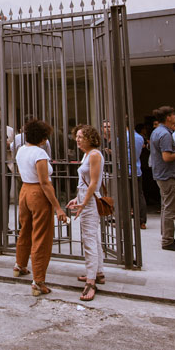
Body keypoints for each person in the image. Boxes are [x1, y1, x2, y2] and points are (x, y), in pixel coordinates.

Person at [13, 119, 67, 297]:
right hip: (38, 193)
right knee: (41, 236)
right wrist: (58, 207)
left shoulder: (21, 150)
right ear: (43, 138)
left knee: (25, 229)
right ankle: (38, 281)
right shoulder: (40, 154)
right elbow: (45, 183)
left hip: (25, 190)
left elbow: (21, 173)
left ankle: (19, 265)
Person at [67, 124, 105, 301]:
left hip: (90, 201)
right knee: (93, 237)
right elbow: (84, 181)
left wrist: (83, 203)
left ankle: (91, 282)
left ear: (90, 138)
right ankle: (98, 272)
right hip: (85, 198)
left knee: (89, 239)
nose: (77, 140)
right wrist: (77, 198)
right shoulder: (87, 154)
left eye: (81, 137)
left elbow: (94, 183)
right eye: (77, 137)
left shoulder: (95, 155)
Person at [149, 106, 175, 252]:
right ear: (168, 117)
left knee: (166, 207)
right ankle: (168, 240)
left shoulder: (157, 132)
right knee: (170, 208)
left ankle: (167, 236)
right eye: (173, 115)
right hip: (168, 174)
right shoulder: (165, 134)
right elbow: (167, 157)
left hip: (161, 174)